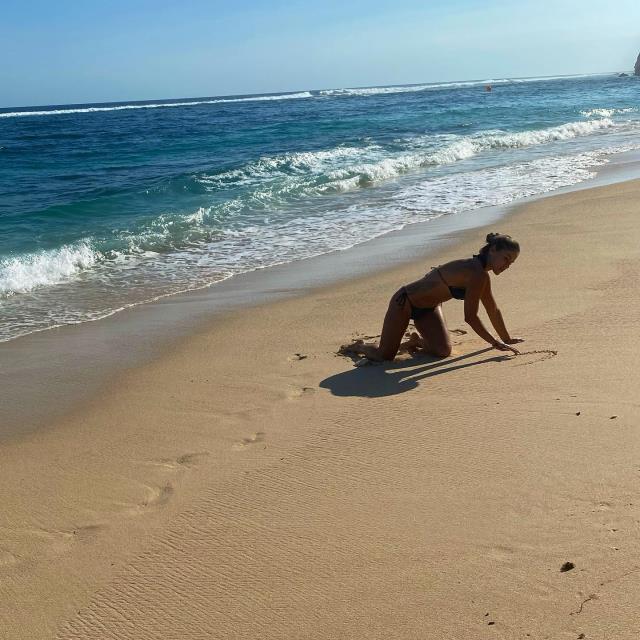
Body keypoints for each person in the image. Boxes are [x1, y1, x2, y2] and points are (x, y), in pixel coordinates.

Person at [341, 232, 523, 362]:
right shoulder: (476, 273)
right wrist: (494, 342)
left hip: (430, 308)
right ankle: (361, 346)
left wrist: (506, 338)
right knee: (384, 356)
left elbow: (492, 309)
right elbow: (470, 317)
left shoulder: (482, 275)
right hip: (405, 302)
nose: (507, 265)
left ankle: (416, 341)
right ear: (493, 250)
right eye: (506, 258)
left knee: (443, 351)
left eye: (512, 262)